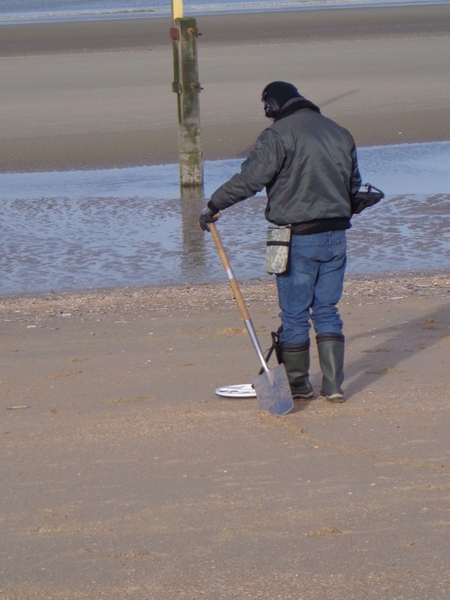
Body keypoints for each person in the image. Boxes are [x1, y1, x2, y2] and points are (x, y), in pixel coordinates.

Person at [199, 81, 362, 403]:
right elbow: (353, 184)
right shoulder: (339, 132)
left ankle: (299, 386)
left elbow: (250, 180)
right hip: (336, 234)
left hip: (294, 237)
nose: (267, 117)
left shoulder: (276, 135)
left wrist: (214, 205)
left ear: (273, 106)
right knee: (327, 309)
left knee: (295, 313)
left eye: (266, 110)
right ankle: (333, 386)